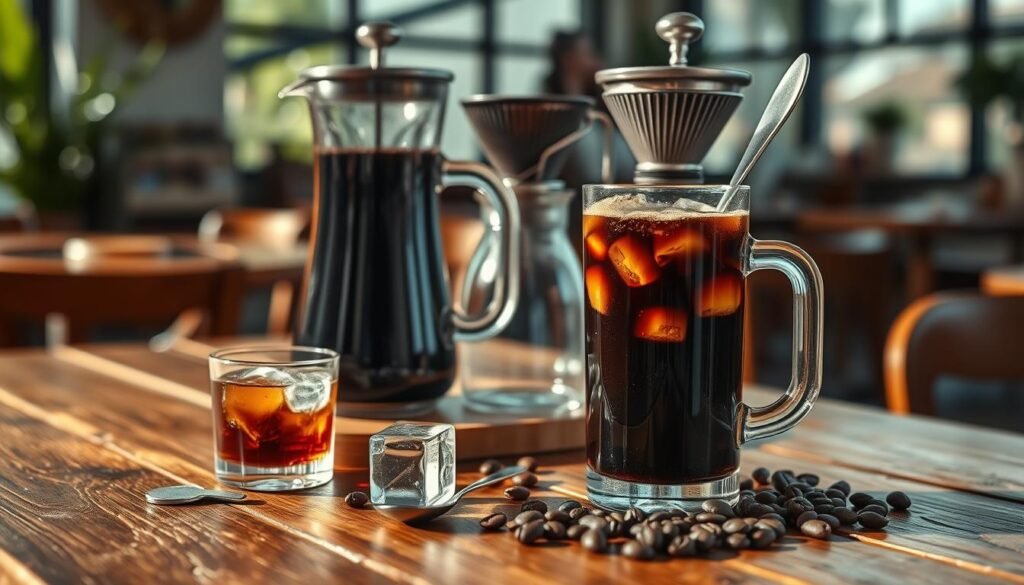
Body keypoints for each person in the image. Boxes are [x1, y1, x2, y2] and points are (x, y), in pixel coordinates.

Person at [542, 31, 635, 254]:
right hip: (572, 206)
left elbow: (627, 163)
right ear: (569, 58)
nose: (594, 58)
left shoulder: (600, 106)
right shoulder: (552, 107)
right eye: (587, 53)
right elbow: (589, 169)